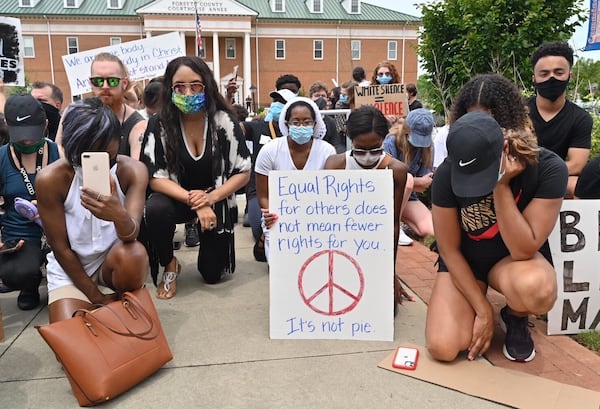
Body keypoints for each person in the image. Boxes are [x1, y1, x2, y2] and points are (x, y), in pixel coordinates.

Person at [425, 103, 568, 363]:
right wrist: (483, 311)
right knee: (442, 347)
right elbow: (448, 249)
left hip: (512, 260)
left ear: (504, 147)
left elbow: (523, 249)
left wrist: (501, 187)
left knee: (538, 290)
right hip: (466, 260)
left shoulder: (548, 167)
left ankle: (516, 315)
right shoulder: (447, 172)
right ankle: (483, 306)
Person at [140, 56, 251, 299]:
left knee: (213, 275)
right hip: (176, 198)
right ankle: (169, 263)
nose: (188, 92)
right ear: (170, 88)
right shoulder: (159, 124)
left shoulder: (224, 121)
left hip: (216, 199)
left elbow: (243, 171)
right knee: (155, 208)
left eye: (195, 85)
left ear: (207, 86)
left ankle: (210, 249)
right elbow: (154, 177)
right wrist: (197, 201)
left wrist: (210, 198)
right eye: (180, 86)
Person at [36, 97, 148, 323]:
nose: (100, 162)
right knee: (73, 352)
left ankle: (125, 300)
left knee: (134, 253)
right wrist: (97, 297)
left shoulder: (132, 171)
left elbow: (132, 234)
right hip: (70, 270)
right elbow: (61, 249)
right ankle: (108, 307)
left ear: (118, 141)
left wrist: (119, 215)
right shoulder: (50, 179)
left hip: (113, 263)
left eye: (108, 155)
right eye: (87, 155)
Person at [324, 105, 413, 308]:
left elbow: (393, 225)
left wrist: (391, 273)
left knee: (384, 310)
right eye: (360, 149)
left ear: (384, 140)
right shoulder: (335, 165)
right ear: (350, 140)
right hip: (340, 245)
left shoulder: (396, 170)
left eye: (375, 149)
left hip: (375, 249)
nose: (367, 156)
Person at [255, 97, 336, 262]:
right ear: (286, 124)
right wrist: (270, 213)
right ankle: (265, 238)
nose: (301, 126)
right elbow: (263, 195)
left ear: (315, 123)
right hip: (279, 217)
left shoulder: (327, 151)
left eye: (307, 122)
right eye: (296, 122)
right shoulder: (270, 150)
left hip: (318, 217)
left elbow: (331, 195)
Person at [0, 94, 60, 309]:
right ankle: (30, 284)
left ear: (45, 125)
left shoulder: (58, 152)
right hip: (21, 233)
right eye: (20, 135)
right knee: (14, 273)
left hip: (56, 227)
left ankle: (57, 277)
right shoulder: (1, 157)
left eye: (32, 134)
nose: (27, 141)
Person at [527, 41, 593, 199]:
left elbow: (577, 164)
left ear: (570, 76)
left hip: (557, 177)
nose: (551, 78)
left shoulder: (581, 118)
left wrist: (545, 174)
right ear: (534, 78)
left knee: (578, 186)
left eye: (558, 73)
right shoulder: (517, 112)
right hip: (518, 176)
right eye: (544, 74)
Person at [57, 53, 147, 161]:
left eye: (112, 81)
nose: (105, 86)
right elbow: (58, 150)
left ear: (124, 83)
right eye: (98, 81)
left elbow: (137, 167)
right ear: (91, 83)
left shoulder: (137, 124)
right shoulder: (72, 112)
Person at [244, 88, 296, 261]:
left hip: (290, 192)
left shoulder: (298, 133)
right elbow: (237, 127)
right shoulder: (259, 127)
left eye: (280, 103)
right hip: (260, 191)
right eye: (274, 101)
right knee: (259, 228)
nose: (275, 106)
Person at [384, 108, 435, 245]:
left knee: (430, 230)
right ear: (407, 130)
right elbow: (388, 179)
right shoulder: (391, 142)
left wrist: (417, 182)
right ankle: (393, 227)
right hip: (388, 196)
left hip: (409, 196)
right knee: (407, 180)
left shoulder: (429, 147)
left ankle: (400, 218)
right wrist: (416, 181)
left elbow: (424, 185)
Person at [308, 81, 345, 153]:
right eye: (317, 95)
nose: (320, 99)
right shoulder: (305, 120)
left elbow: (337, 144)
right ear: (310, 98)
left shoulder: (331, 121)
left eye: (323, 96)